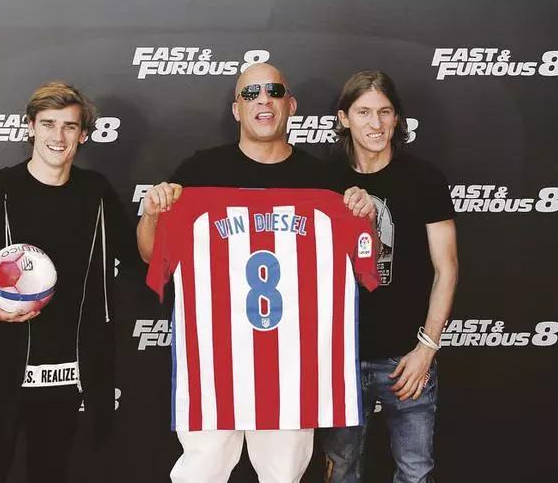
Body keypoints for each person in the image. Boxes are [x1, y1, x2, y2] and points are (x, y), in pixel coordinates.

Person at [136, 63, 377, 483]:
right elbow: (150, 254)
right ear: (237, 109)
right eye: (251, 93)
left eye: (274, 91)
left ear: (291, 105)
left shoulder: (324, 182)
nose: (263, 100)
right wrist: (154, 212)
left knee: (283, 476)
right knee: (200, 473)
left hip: (292, 369)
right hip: (214, 367)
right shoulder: (198, 173)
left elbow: (364, 264)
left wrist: (363, 215)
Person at [0, 82, 124, 483]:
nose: (57, 136)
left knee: (51, 471)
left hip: (65, 373)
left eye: (69, 126)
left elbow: (133, 255)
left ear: (83, 134)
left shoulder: (96, 193)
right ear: (30, 127)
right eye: (48, 124)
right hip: (2, 370)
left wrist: (152, 213)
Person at [320, 71, 458, 483]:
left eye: (384, 112)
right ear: (344, 118)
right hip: (339, 359)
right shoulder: (322, 181)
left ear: (397, 118)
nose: (375, 123)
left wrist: (425, 350)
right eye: (363, 112)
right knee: (340, 472)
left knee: (415, 472)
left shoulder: (425, 179)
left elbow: (447, 268)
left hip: (406, 358)